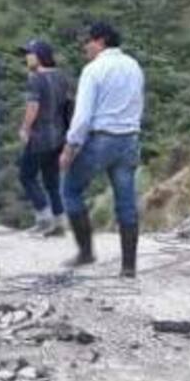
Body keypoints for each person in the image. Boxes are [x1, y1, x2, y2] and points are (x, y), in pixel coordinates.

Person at [61, 22, 144, 278]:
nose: (85, 47)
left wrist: (70, 146)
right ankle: (128, 267)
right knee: (126, 203)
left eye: (88, 41)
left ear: (100, 41)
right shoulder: (134, 66)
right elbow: (139, 101)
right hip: (129, 138)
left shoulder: (93, 70)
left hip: (101, 139)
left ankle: (86, 252)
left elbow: (83, 116)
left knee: (71, 190)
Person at [16, 39, 73, 236]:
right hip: (58, 136)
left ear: (38, 56)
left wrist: (25, 128)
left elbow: (33, 106)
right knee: (51, 180)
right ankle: (59, 221)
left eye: (29, 53)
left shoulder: (35, 79)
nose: (26, 57)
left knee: (26, 176)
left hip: (40, 136)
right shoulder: (61, 77)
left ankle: (44, 218)